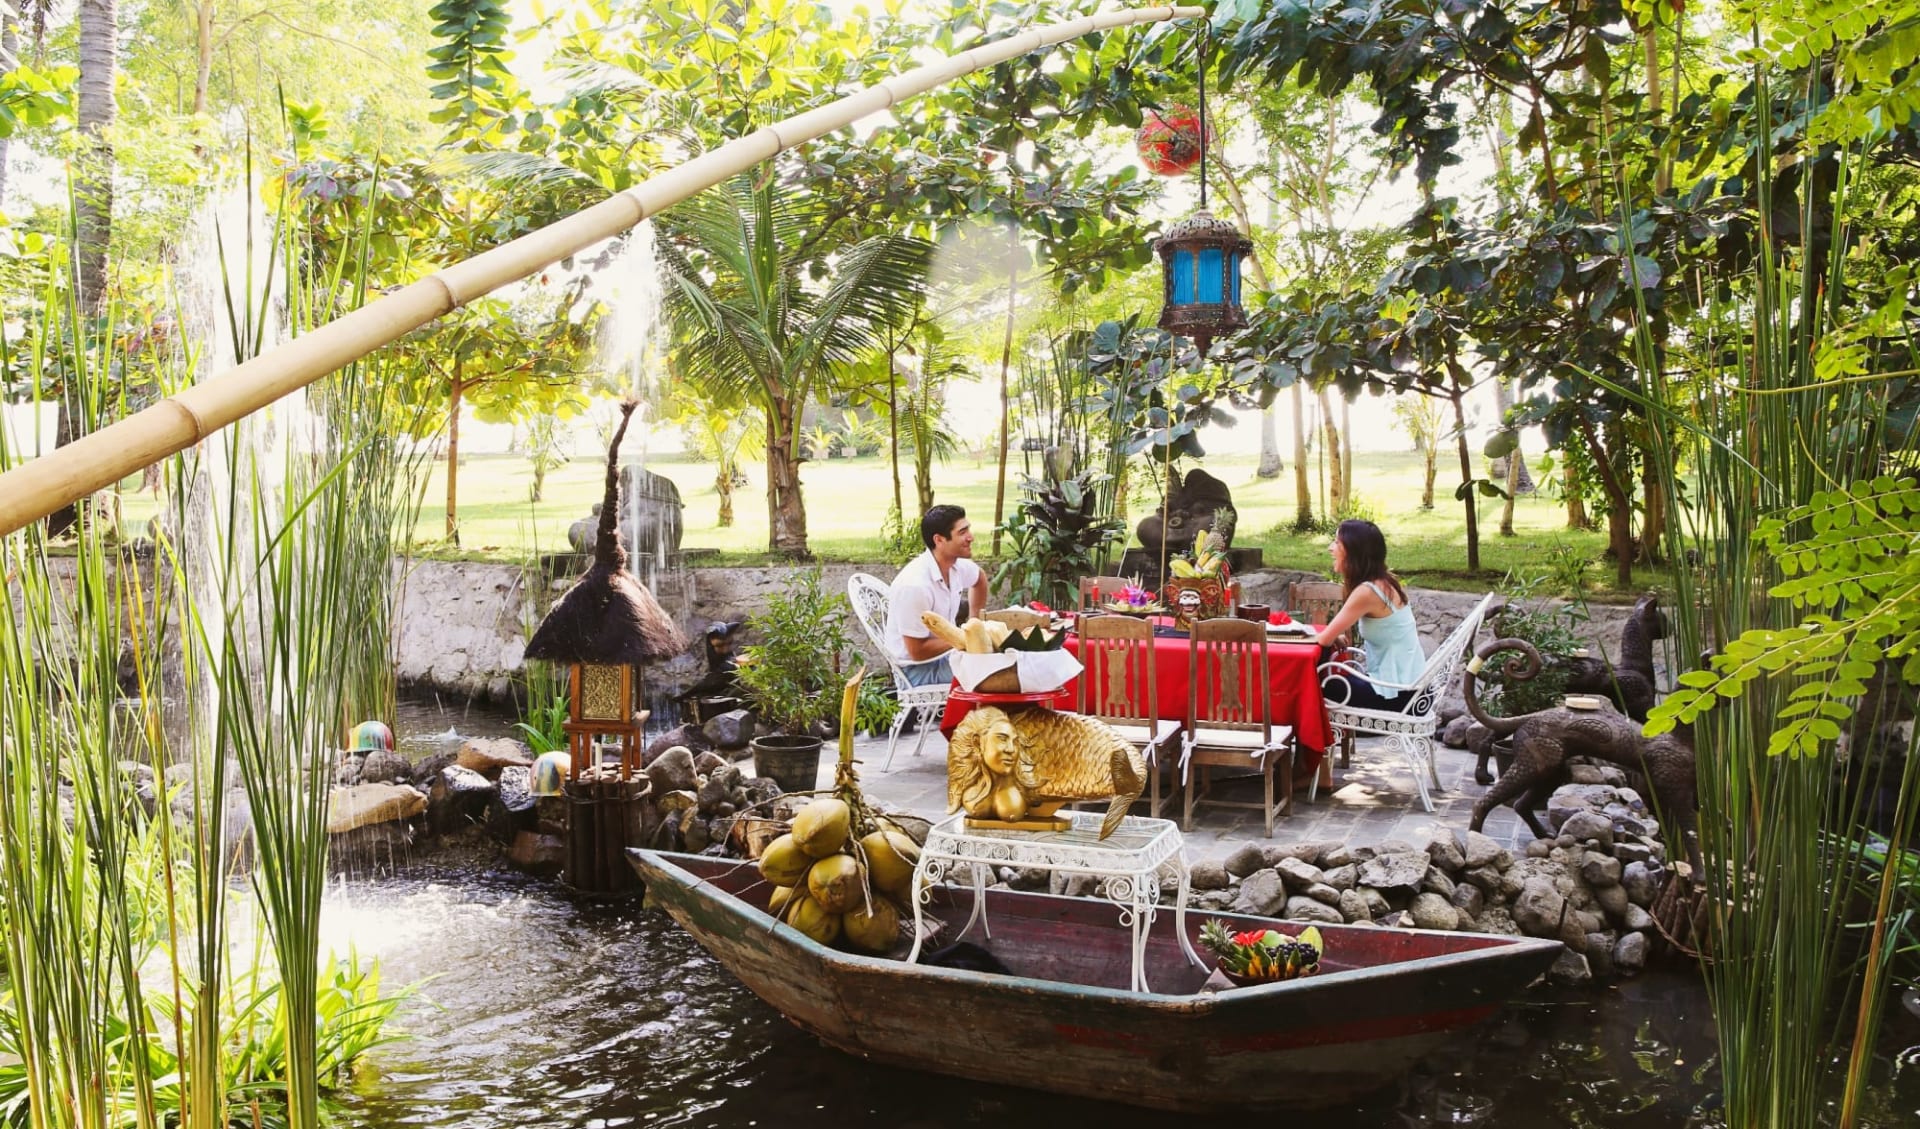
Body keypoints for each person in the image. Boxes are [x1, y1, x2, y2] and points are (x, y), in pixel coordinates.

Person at [1314, 519, 1423, 712]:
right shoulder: (1384, 582)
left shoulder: (1368, 591)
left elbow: (1323, 639)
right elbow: (1330, 636)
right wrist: (1333, 637)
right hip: (1409, 690)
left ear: (1354, 551)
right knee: (1322, 681)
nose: (1331, 548)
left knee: (1313, 685)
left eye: (1337, 543)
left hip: (1397, 696)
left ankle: (1305, 739)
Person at [884, 504, 989, 686]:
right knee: (991, 672)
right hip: (916, 672)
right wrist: (967, 637)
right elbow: (917, 651)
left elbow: (979, 578)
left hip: (945, 656)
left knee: (1002, 659)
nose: (971, 537)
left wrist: (975, 621)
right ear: (939, 540)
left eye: (968, 529)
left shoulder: (954, 565)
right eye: (962, 532)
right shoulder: (915, 586)